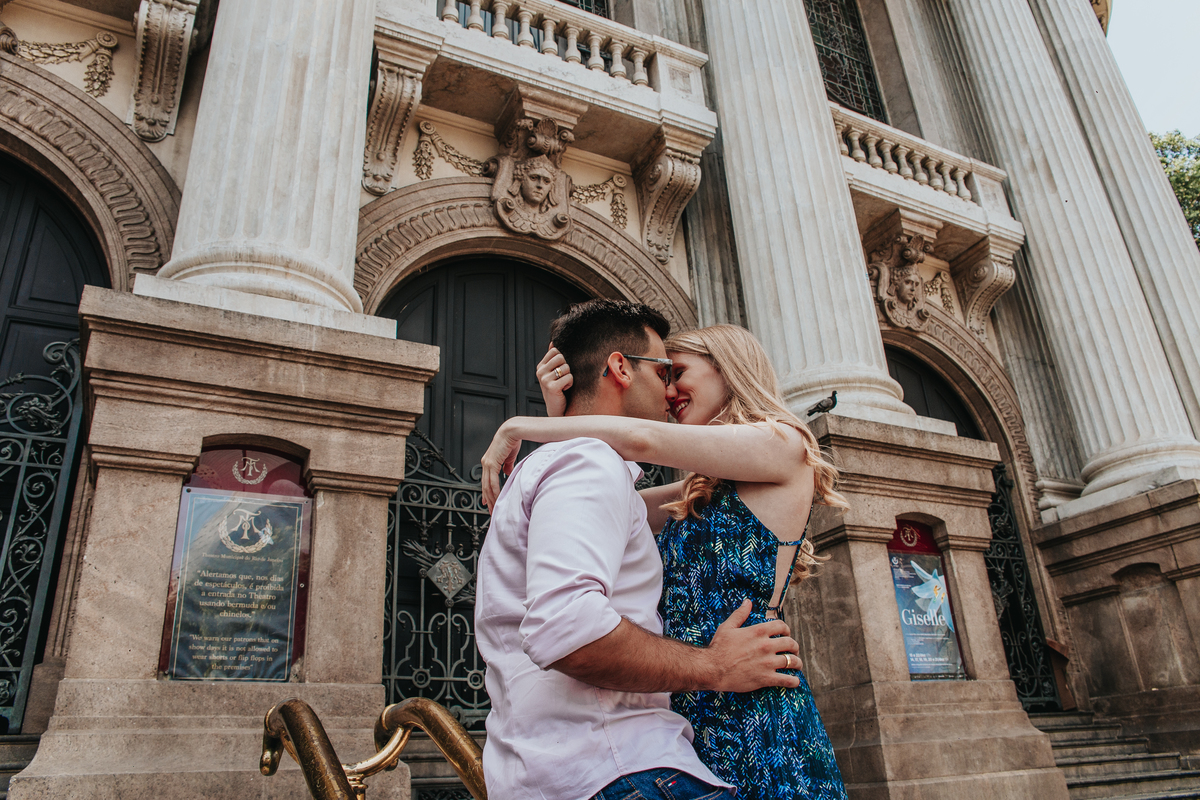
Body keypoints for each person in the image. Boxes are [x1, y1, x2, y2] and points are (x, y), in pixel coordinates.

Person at [481, 324, 849, 800]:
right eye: (664, 375)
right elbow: (613, 498)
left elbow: (640, 441)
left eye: (678, 373)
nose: (670, 391)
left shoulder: (785, 443)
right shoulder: (698, 489)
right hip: (690, 697)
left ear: (727, 367)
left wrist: (519, 426)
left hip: (749, 694)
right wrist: (564, 412)